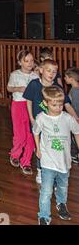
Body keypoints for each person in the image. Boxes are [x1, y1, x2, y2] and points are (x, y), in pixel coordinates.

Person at [23, 59, 79, 184]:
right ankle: (40, 170)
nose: (51, 73)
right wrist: (31, 118)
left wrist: (75, 117)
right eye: (48, 70)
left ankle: (53, 170)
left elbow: (66, 104)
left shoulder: (57, 87)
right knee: (40, 147)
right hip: (39, 122)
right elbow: (29, 101)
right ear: (41, 70)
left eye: (54, 71)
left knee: (51, 147)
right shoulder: (34, 84)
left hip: (54, 124)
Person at [34, 86, 79, 225]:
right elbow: (36, 132)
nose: (58, 107)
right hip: (48, 162)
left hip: (64, 162)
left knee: (63, 187)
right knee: (46, 191)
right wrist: (38, 149)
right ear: (46, 103)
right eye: (54, 105)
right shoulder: (41, 118)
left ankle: (61, 204)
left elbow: (76, 132)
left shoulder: (67, 118)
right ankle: (43, 215)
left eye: (60, 104)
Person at [7, 50, 39, 175]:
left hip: (32, 106)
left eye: (31, 60)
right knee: (20, 134)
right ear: (20, 62)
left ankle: (26, 162)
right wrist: (18, 88)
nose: (30, 63)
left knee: (31, 135)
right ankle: (15, 154)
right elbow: (9, 88)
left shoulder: (35, 76)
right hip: (18, 105)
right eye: (26, 61)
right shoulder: (15, 74)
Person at [64, 67, 79, 164]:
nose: (64, 79)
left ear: (71, 79)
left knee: (75, 136)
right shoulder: (74, 89)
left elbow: (76, 106)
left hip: (76, 118)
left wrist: (76, 118)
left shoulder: (75, 91)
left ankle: (75, 155)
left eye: (66, 77)